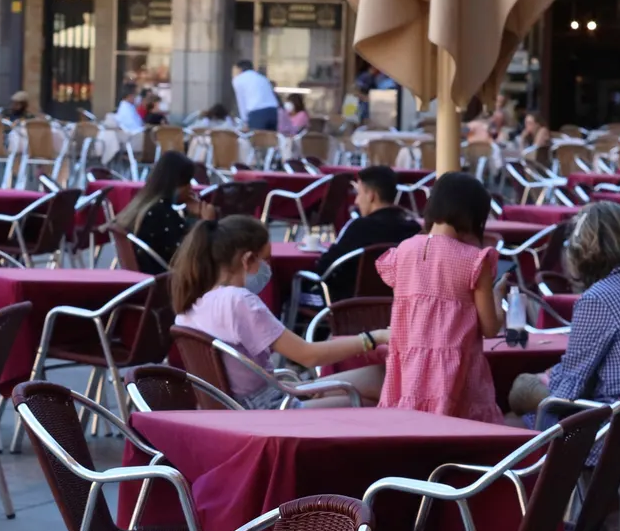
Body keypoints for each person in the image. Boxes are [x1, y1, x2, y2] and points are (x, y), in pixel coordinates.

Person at [507, 201, 620, 465]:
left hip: (619, 437)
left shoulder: (600, 299)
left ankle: (528, 506)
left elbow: (564, 394)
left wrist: (531, 385)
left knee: (507, 418)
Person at [171, 215, 388, 408]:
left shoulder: (188, 308)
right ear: (247, 260)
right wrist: (372, 338)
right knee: (375, 395)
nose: (268, 268)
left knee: (379, 377)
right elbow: (308, 355)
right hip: (270, 411)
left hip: (241, 405)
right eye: (265, 260)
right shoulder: (237, 300)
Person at [375, 171, 505, 423]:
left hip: (408, 371)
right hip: (457, 374)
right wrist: (498, 297)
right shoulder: (474, 261)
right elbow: (490, 328)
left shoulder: (402, 252)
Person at [315, 165, 419, 301]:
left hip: (350, 307)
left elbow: (324, 267)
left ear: (371, 196)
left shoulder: (359, 228)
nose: (357, 201)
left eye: (359, 193)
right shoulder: (414, 230)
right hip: (401, 307)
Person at [108, 150, 202, 268]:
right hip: (166, 280)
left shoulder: (143, 207)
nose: (190, 188)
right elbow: (188, 255)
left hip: (145, 279)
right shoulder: (163, 215)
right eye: (187, 182)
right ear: (175, 184)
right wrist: (201, 221)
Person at [231, 59, 280, 132]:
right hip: (273, 110)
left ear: (239, 69)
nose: (233, 74)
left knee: (256, 140)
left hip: (257, 112)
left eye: (234, 71)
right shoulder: (262, 77)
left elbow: (241, 101)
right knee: (271, 139)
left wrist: (245, 120)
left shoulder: (238, 79)